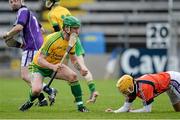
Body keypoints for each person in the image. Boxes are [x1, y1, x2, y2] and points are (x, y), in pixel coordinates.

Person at [19, 16, 89, 112]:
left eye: (78, 28)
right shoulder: (52, 39)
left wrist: (81, 68)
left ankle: (80, 107)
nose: (77, 31)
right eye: (75, 28)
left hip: (55, 66)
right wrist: (52, 66)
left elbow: (73, 60)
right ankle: (30, 102)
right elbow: (40, 60)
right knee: (36, 90)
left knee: (73, 76)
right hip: (39, 67)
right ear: (67, 28)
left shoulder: (73, 40)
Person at [2, 0, 57, 106]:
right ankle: (42, 100)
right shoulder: (30, 13)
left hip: (32, 47)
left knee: (25, 75)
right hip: (36, 46)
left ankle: (49, 90)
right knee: (31, 75)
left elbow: (19, 27)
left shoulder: (22, 11)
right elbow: (42, 30)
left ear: (22, 1)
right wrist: (25, 42)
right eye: (11, 1)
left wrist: (8, 34)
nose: (13, 3)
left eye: (16, 0)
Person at [44, 0, 99, 103]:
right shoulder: (65, 9)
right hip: (75, 39)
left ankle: (78, 92)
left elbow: (57, 31)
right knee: (82, 66)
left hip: (64, 41)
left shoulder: (51, 14)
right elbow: (73, 23)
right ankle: (93, 90)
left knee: (62, 70)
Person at [106, 71, 180, 113]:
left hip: (173, 80)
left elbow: (147, 110)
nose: (125, 93)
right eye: (123, 91)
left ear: (130, 87)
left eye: (125, 91)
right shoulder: (133, 87)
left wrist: (131, 112)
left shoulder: (144, 87)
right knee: (178, 111)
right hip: (167, 83)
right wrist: (114, 112)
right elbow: (126, 108)